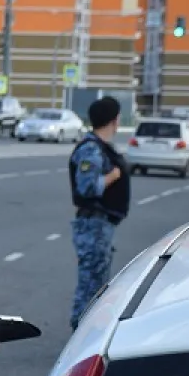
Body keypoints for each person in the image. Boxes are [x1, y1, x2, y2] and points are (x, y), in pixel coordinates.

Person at [67, 96, 130, 331]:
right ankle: (81, 333)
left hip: (102, 225)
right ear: (114, 120)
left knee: (98, 284)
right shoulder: (91, 149)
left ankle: (87, 332)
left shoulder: (101, 148)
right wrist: (114, 175)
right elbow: (88, 187)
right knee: (90, 286)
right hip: (94, 224)